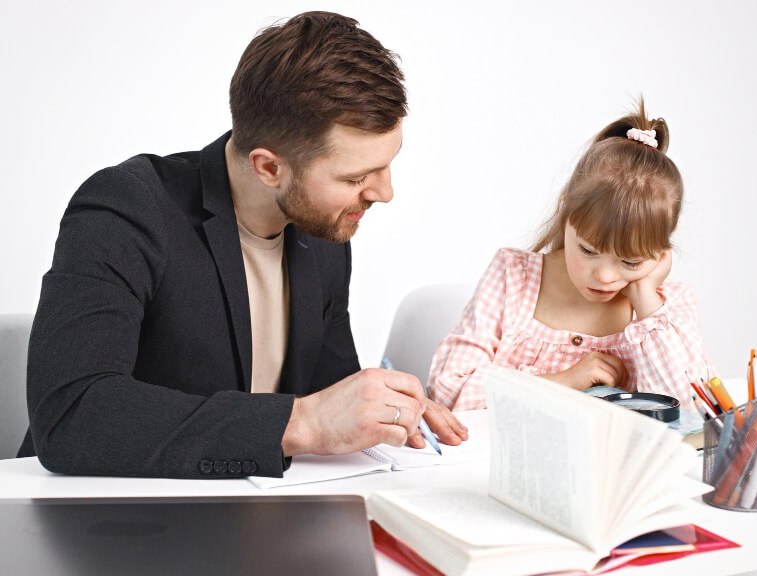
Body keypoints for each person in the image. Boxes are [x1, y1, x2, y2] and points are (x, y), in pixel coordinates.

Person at [20, 11, 467, 479]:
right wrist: (302, 422)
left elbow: (329, 395)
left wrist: (387, 409)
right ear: (268, 167)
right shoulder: (128, 208)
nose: (384, 192)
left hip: (262, 507)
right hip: (104, 510)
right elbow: (71, 413)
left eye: (386, 164)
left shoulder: (324, 228)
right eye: (355, 177)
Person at [427, 99, 711, 411]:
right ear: (567, 212)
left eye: (631, 262)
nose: (604, 276)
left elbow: (692, 411)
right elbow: (449, 392)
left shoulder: (667, 310)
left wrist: (645, 298)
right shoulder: (514, 276)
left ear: (660, 251)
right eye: (588, 250)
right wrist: (565, 381)